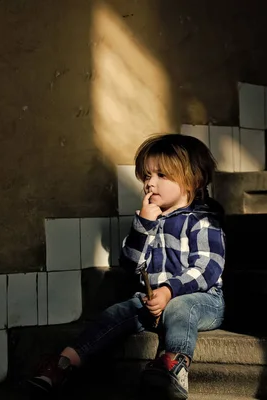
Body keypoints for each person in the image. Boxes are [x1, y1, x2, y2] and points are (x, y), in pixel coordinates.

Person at [27, 133, 226, 399]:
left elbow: (207, 267)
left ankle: (174, 365)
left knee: (181, 306)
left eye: (161, 176)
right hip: (153, 298)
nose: (150, 184)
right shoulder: (148, 219)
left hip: (202, 300)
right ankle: (63, 364)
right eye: (146, 176)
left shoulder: (202, 221)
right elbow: (131, 263)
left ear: (193, 180)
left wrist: (169, 290)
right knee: (115, 313)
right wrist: (143, 226)